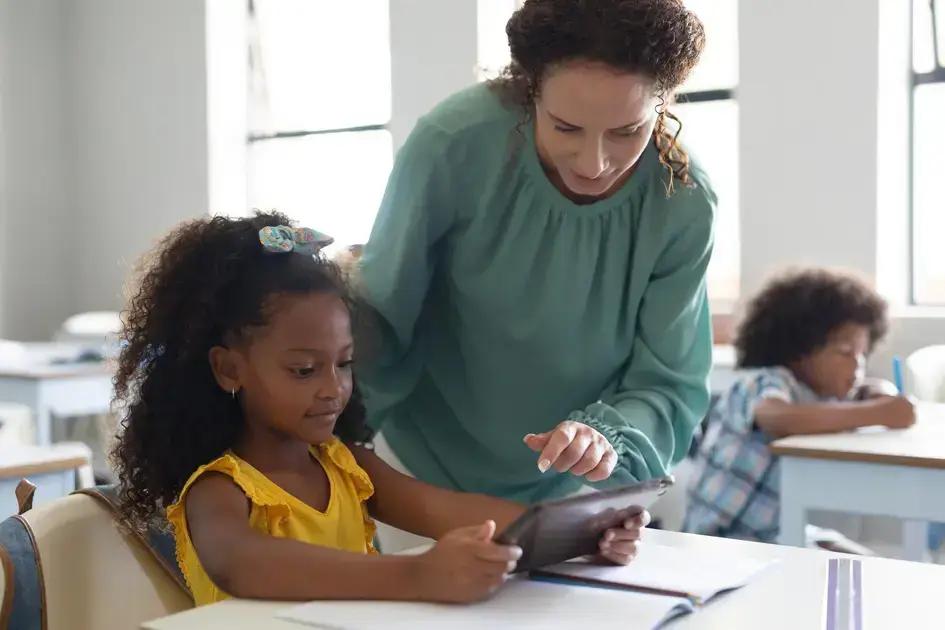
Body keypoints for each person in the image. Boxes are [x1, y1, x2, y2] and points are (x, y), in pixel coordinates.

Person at [110, 212, 645, 606]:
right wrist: (415, 577)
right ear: (229, 370)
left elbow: (447, 510)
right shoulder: (219, 489)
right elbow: (242, 565)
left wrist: (583, 533)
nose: (332, 389)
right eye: (303, 370)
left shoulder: (347, 465)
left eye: (343, 364)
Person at [357, 0, 715, 519]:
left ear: (664, 107)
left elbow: (666, 381)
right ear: (530, 91)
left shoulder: (683, 199)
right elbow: (380, 315)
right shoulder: (453, 143)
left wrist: (602, 438)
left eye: (626, 132)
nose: (595, 164)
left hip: (571, 486)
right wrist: (330, 448)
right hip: (417, 468)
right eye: (566, 128)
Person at [682, 269, 916, 543]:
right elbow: (777, 419)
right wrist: (876, 413)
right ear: (799, 349)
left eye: (862, 354)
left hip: (777, 534)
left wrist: (880, 393)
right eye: (845, 352)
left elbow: (869, 391)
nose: (857, 365)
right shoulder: (763, 382)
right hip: (720, 540)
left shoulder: (821, 395)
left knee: (855, 562)